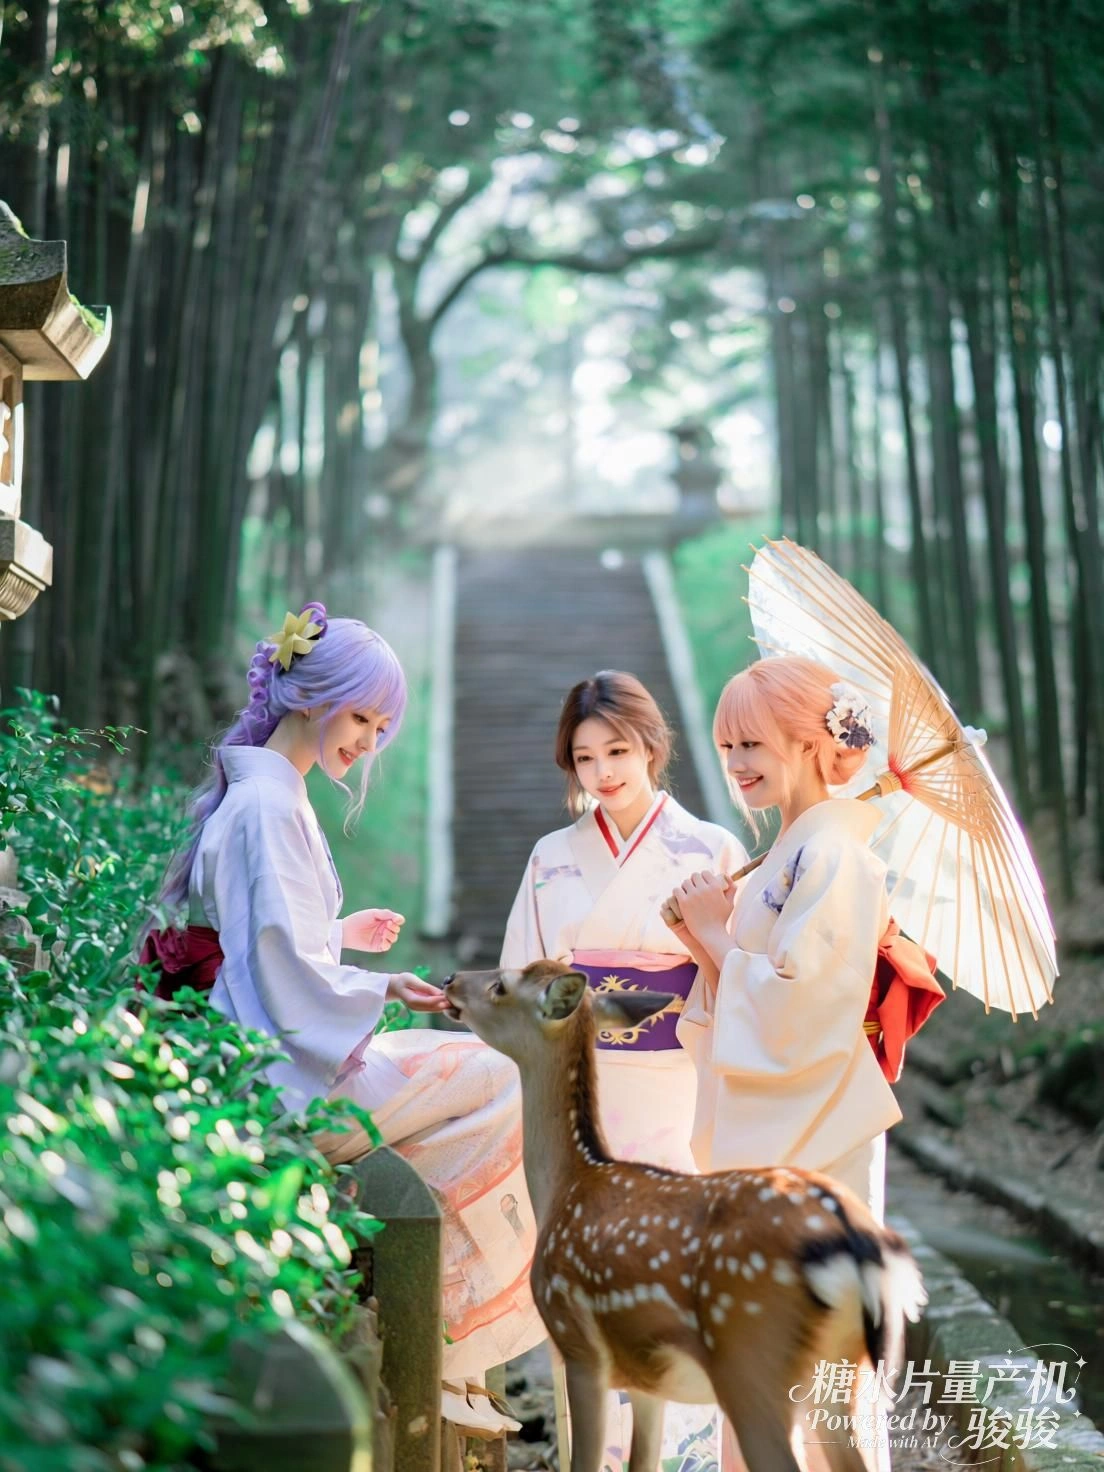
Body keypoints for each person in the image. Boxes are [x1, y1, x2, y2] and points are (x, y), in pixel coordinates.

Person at [146, 603, 544, 1412]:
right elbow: (279, 969)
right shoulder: (267, 805)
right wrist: (380, 985)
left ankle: (439, 1315)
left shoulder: (267, 794)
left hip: (272, 1056)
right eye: (361, 716)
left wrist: (341, 935)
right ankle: (453, 1334)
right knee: (507, 1073)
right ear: (307, 697)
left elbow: (267, 946)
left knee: (490, 1078)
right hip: (287, 1082)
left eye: (380, 725)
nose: (366, 741)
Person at [501, 669, 748, 1472]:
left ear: (651, 746)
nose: (603, 771)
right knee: (587, 1274)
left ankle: (679, 1458)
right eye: (584, 757)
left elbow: (735, 974)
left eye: (618, 750)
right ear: (568, 766)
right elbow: (523, 977)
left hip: (677, 1085)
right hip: (585, 1094)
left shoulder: (710, 849)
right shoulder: (551, 857)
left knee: (670, 1275)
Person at [668, 654, 905, 1223]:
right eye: (727, 747)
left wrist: (708, 929)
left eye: (750, 744)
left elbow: (800, 1009)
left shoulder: (836, 854)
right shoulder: (789, 853)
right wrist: (698, 935)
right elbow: (747, 986)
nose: (735, 764)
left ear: (806, 744)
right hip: (779, 1123)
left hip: (814, 1132)